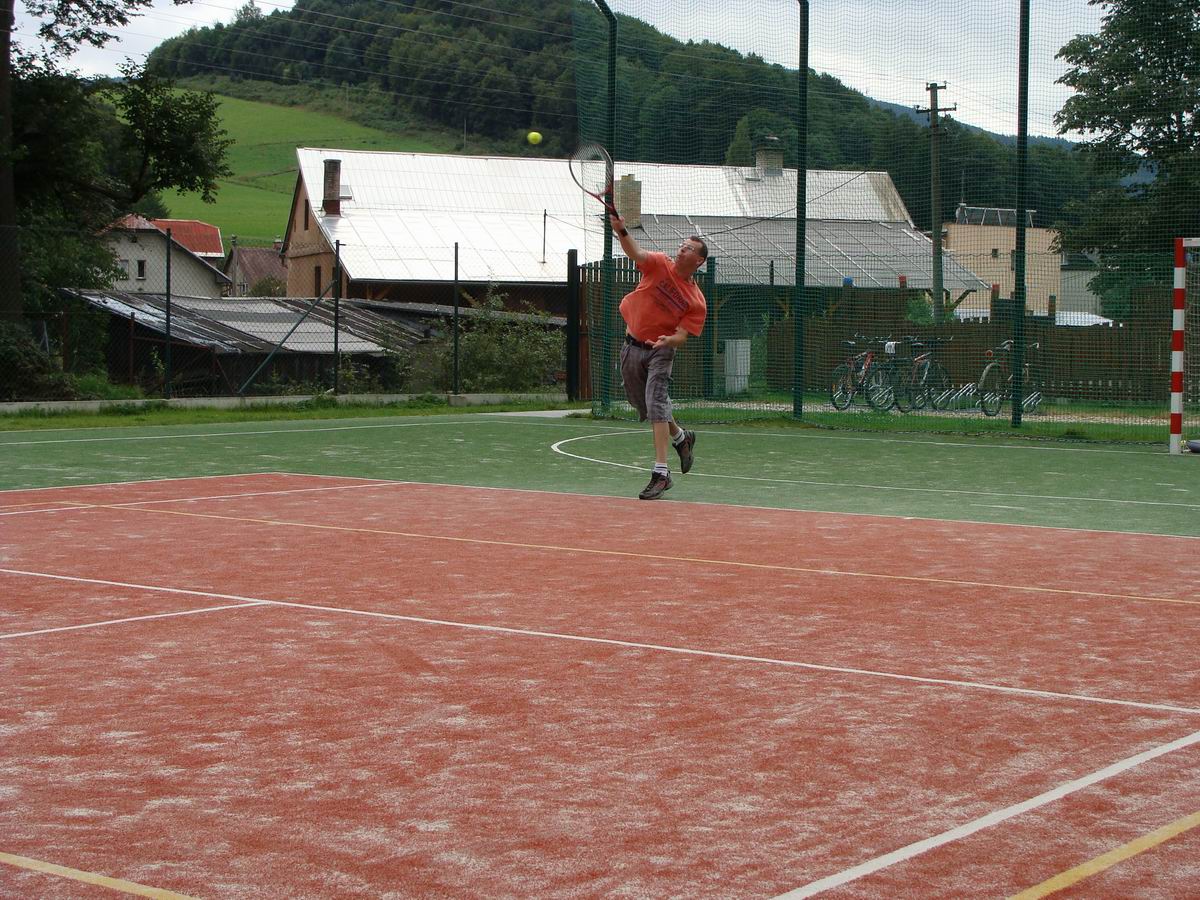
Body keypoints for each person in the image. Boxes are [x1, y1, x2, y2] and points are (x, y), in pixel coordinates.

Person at [609, 211, 708, 500]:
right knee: (645, 405)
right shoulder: (659, 264)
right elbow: (635, 252)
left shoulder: (696, 301)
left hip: (661, 352)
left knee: (656, 403)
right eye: (682, 245)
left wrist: (669, 340)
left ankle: (661, 473)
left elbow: (683, 335)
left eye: (689, 248)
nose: (682, 249)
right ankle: (681, 437)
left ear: (699, 261)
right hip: (632, 345)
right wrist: (621, 230)